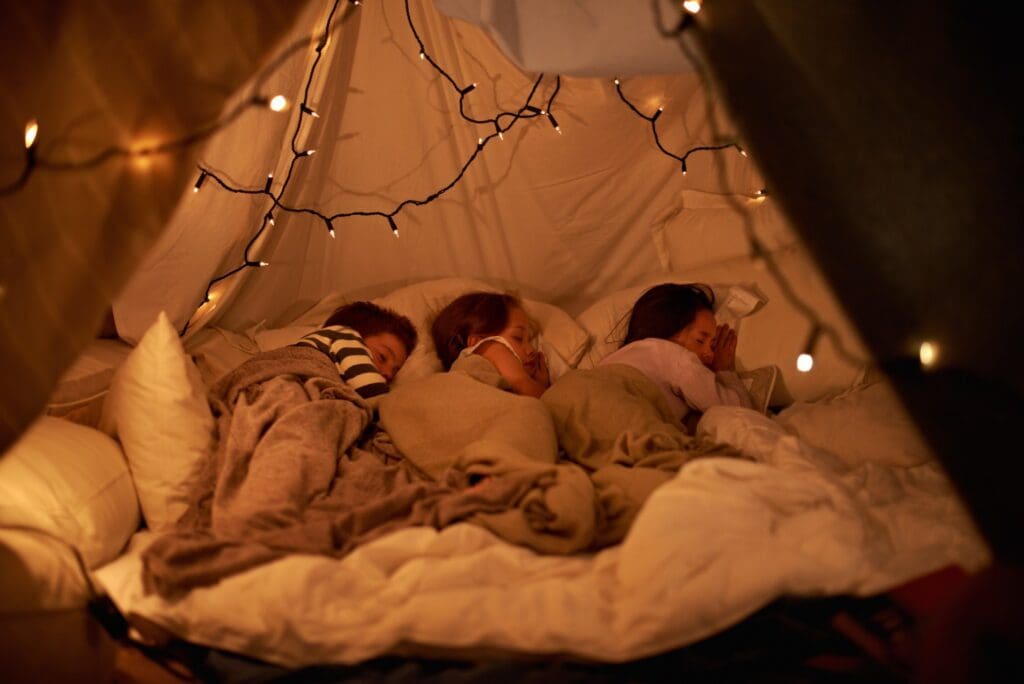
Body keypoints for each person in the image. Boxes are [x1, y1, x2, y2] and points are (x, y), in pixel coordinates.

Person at [598, 282, 754, 428]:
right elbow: (742, 413)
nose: (710, 354)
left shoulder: (620, 356)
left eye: (712, 345)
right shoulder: (676, 357)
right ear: (667, 329)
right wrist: (724, 371)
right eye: (700, 340)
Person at [430, 291, 550, 398]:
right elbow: (526, 389)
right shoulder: (489, 347)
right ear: (476, 343)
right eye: (518, 338)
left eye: (529, 340)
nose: (531, 350)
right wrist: (540, 387)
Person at [293, 300, 417, 399]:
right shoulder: (343, 334)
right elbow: (377, 398)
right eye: (382, 357)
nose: (388, 374)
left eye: (395, 372)